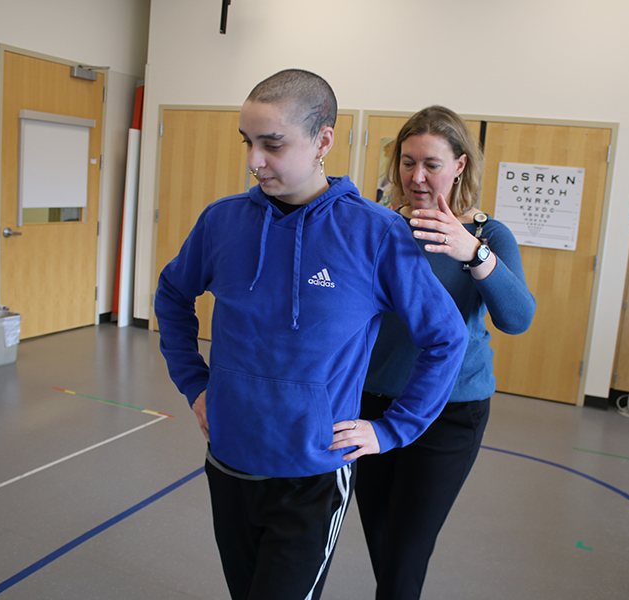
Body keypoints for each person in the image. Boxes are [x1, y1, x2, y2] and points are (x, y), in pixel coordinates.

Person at [154, 72, 468, 600]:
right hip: (228, 462)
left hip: (312, 476)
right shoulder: (222, 222)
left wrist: (392, 431)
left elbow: (445, 338)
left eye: (272, 144)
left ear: (323, 140)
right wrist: (195, 384)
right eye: (247, 142)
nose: (254, 161)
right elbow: (172, 294)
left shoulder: (376, 234)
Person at [356, 105, 536, 600]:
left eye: (431, 164)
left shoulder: (488, 236)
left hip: (451, 411)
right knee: (383, 542)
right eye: (407, 162)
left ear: (459, 165)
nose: (416, 176)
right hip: (374, 406)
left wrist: (471, 253)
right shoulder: (380, 226)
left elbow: (517, 319)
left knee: (404, 556)